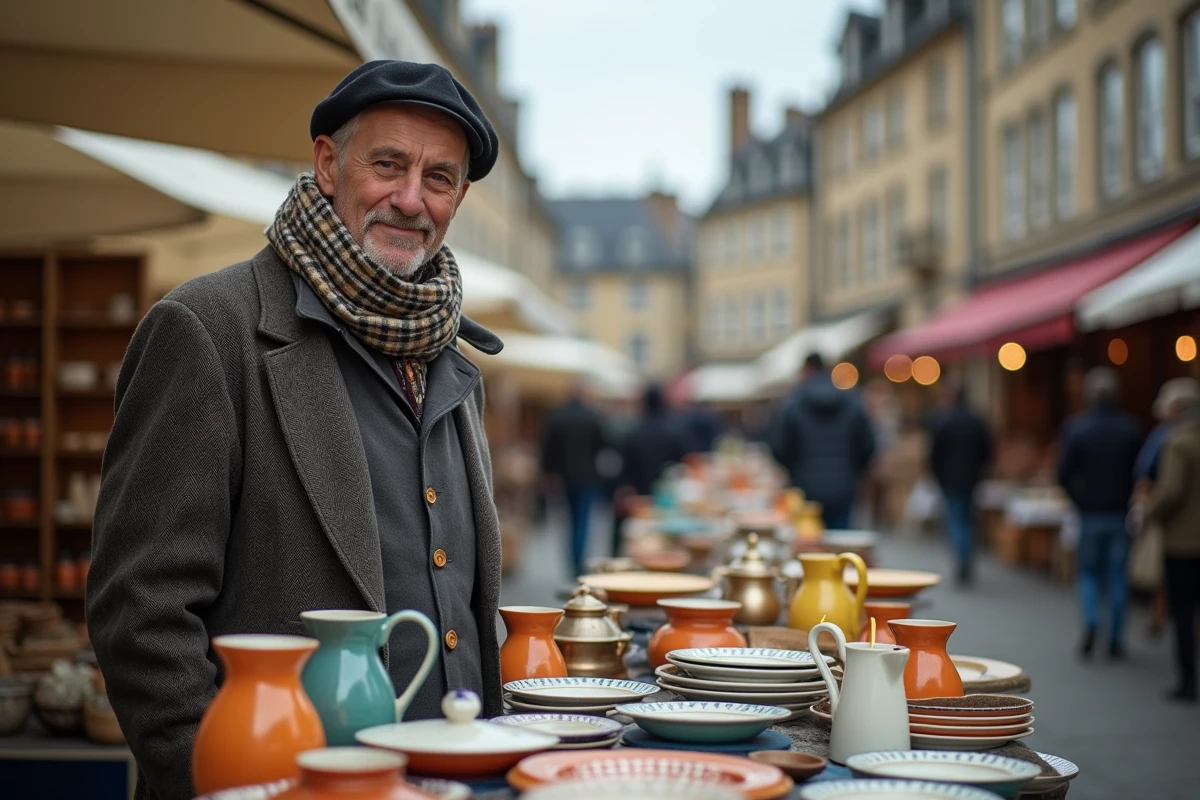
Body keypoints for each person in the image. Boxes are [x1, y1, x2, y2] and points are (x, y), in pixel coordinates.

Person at [86, 61, 506, 799]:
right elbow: (139, 615)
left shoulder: (450, 357)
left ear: (459, 197)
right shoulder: (208, 330)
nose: (411, 200)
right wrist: (224, 782)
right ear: (326, 162)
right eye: (388, 165)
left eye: (438, 178)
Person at [1056, 367, 1142, 660]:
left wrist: (1079, 500)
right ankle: (1116, 638)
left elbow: (1063, 474)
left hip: (1090, 512)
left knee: (1089, 574)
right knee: (1117, 576)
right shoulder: (1130, 428)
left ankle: (1092, 622)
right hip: (1119, 511)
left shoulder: (1077, 428)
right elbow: (1139, 473)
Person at [770, 353, 875, 529]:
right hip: (843, 487)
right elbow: (868, 445)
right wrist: (853, 471)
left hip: (805, 487)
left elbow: (779, 447)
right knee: (841, 544)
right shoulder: (852, 402)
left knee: (809, 543)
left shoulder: (793, 403)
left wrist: (795, 469)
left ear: (806, 370)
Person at [1143, 382, 1200, 702]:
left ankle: (1188, 679)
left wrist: (1148, 512)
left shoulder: (1178, 443)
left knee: (1182, 611)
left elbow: (1171, 491)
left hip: (1183, 541)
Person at [1131, 379, 1200, 635]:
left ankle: (1187, 672)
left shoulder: (1173, 440)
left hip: (1181, 536)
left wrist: (1146, 512)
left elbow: (1169, 489)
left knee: (1182, 604)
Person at [540, 382, 609, 578]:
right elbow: (603, 445)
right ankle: (578, 560)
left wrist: (549, 473)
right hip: (587, 476)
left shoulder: (557, 416)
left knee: (569, 519)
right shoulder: (592, 416)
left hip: (565, 476)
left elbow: (547, 448)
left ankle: (572, 558)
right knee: (583, 520)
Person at [613, 385, 689, 556]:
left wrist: (622, 491)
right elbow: (681, 464)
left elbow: (623, 467)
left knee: (638, 543)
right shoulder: (673, 431)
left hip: (637, 499)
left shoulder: (633, 431)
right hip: (665, 497)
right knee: (665, 544)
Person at [929, 384, 993, 585]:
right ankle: (966, 559)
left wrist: (938, 476)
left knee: (956, 520)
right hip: (971, 478)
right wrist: (980, 470)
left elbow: (935, 454)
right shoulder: (976, 421)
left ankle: (962, 560)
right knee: (966, 519)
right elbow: (987, 450)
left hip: (949, 479)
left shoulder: (943, 421)